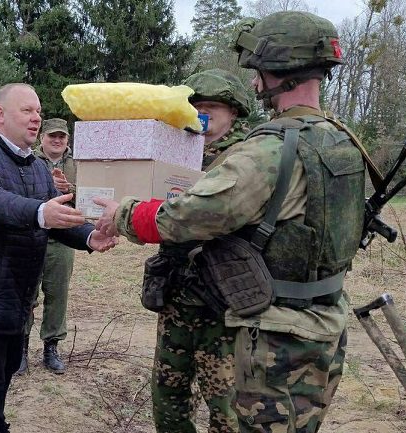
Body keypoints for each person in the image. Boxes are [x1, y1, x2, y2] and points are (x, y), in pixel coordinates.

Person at [95, 11, 365, 433]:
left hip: (274, 337)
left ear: (282, 69)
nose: (256, 82)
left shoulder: (270, 149)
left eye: (259, 71)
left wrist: (124, 213)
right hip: (322, 326)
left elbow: (190, 217)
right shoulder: (342, 139)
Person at [0, 83, 117, 433]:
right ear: (0, 115)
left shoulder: (36, 167)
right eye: (27, 110)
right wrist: (39, 212)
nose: (36, 117)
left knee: (4, 373)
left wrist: (89, 236)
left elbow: (58, 216)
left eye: (38, 111)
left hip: (15, 297)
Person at [147, 69, 251, 433]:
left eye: (212, 108)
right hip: (177, 295)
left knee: (226, 408)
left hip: (221, 304)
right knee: (167, 396)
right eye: (196, 107)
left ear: (234, 111)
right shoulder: (177, 150)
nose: (202, 115)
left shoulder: (246, 158)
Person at [18, 118, 77, 375]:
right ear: (42, 138)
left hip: (64, 236)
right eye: (52, 136)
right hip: (31, 235)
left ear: (67, 140)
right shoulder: (28, 159)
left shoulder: (78, 164)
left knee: (58, 294)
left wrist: (71, 189)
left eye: (62, 137)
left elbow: (95, 194)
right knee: (25, 293)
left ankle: (51, 348)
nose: (57, 140)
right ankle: (19, 349)